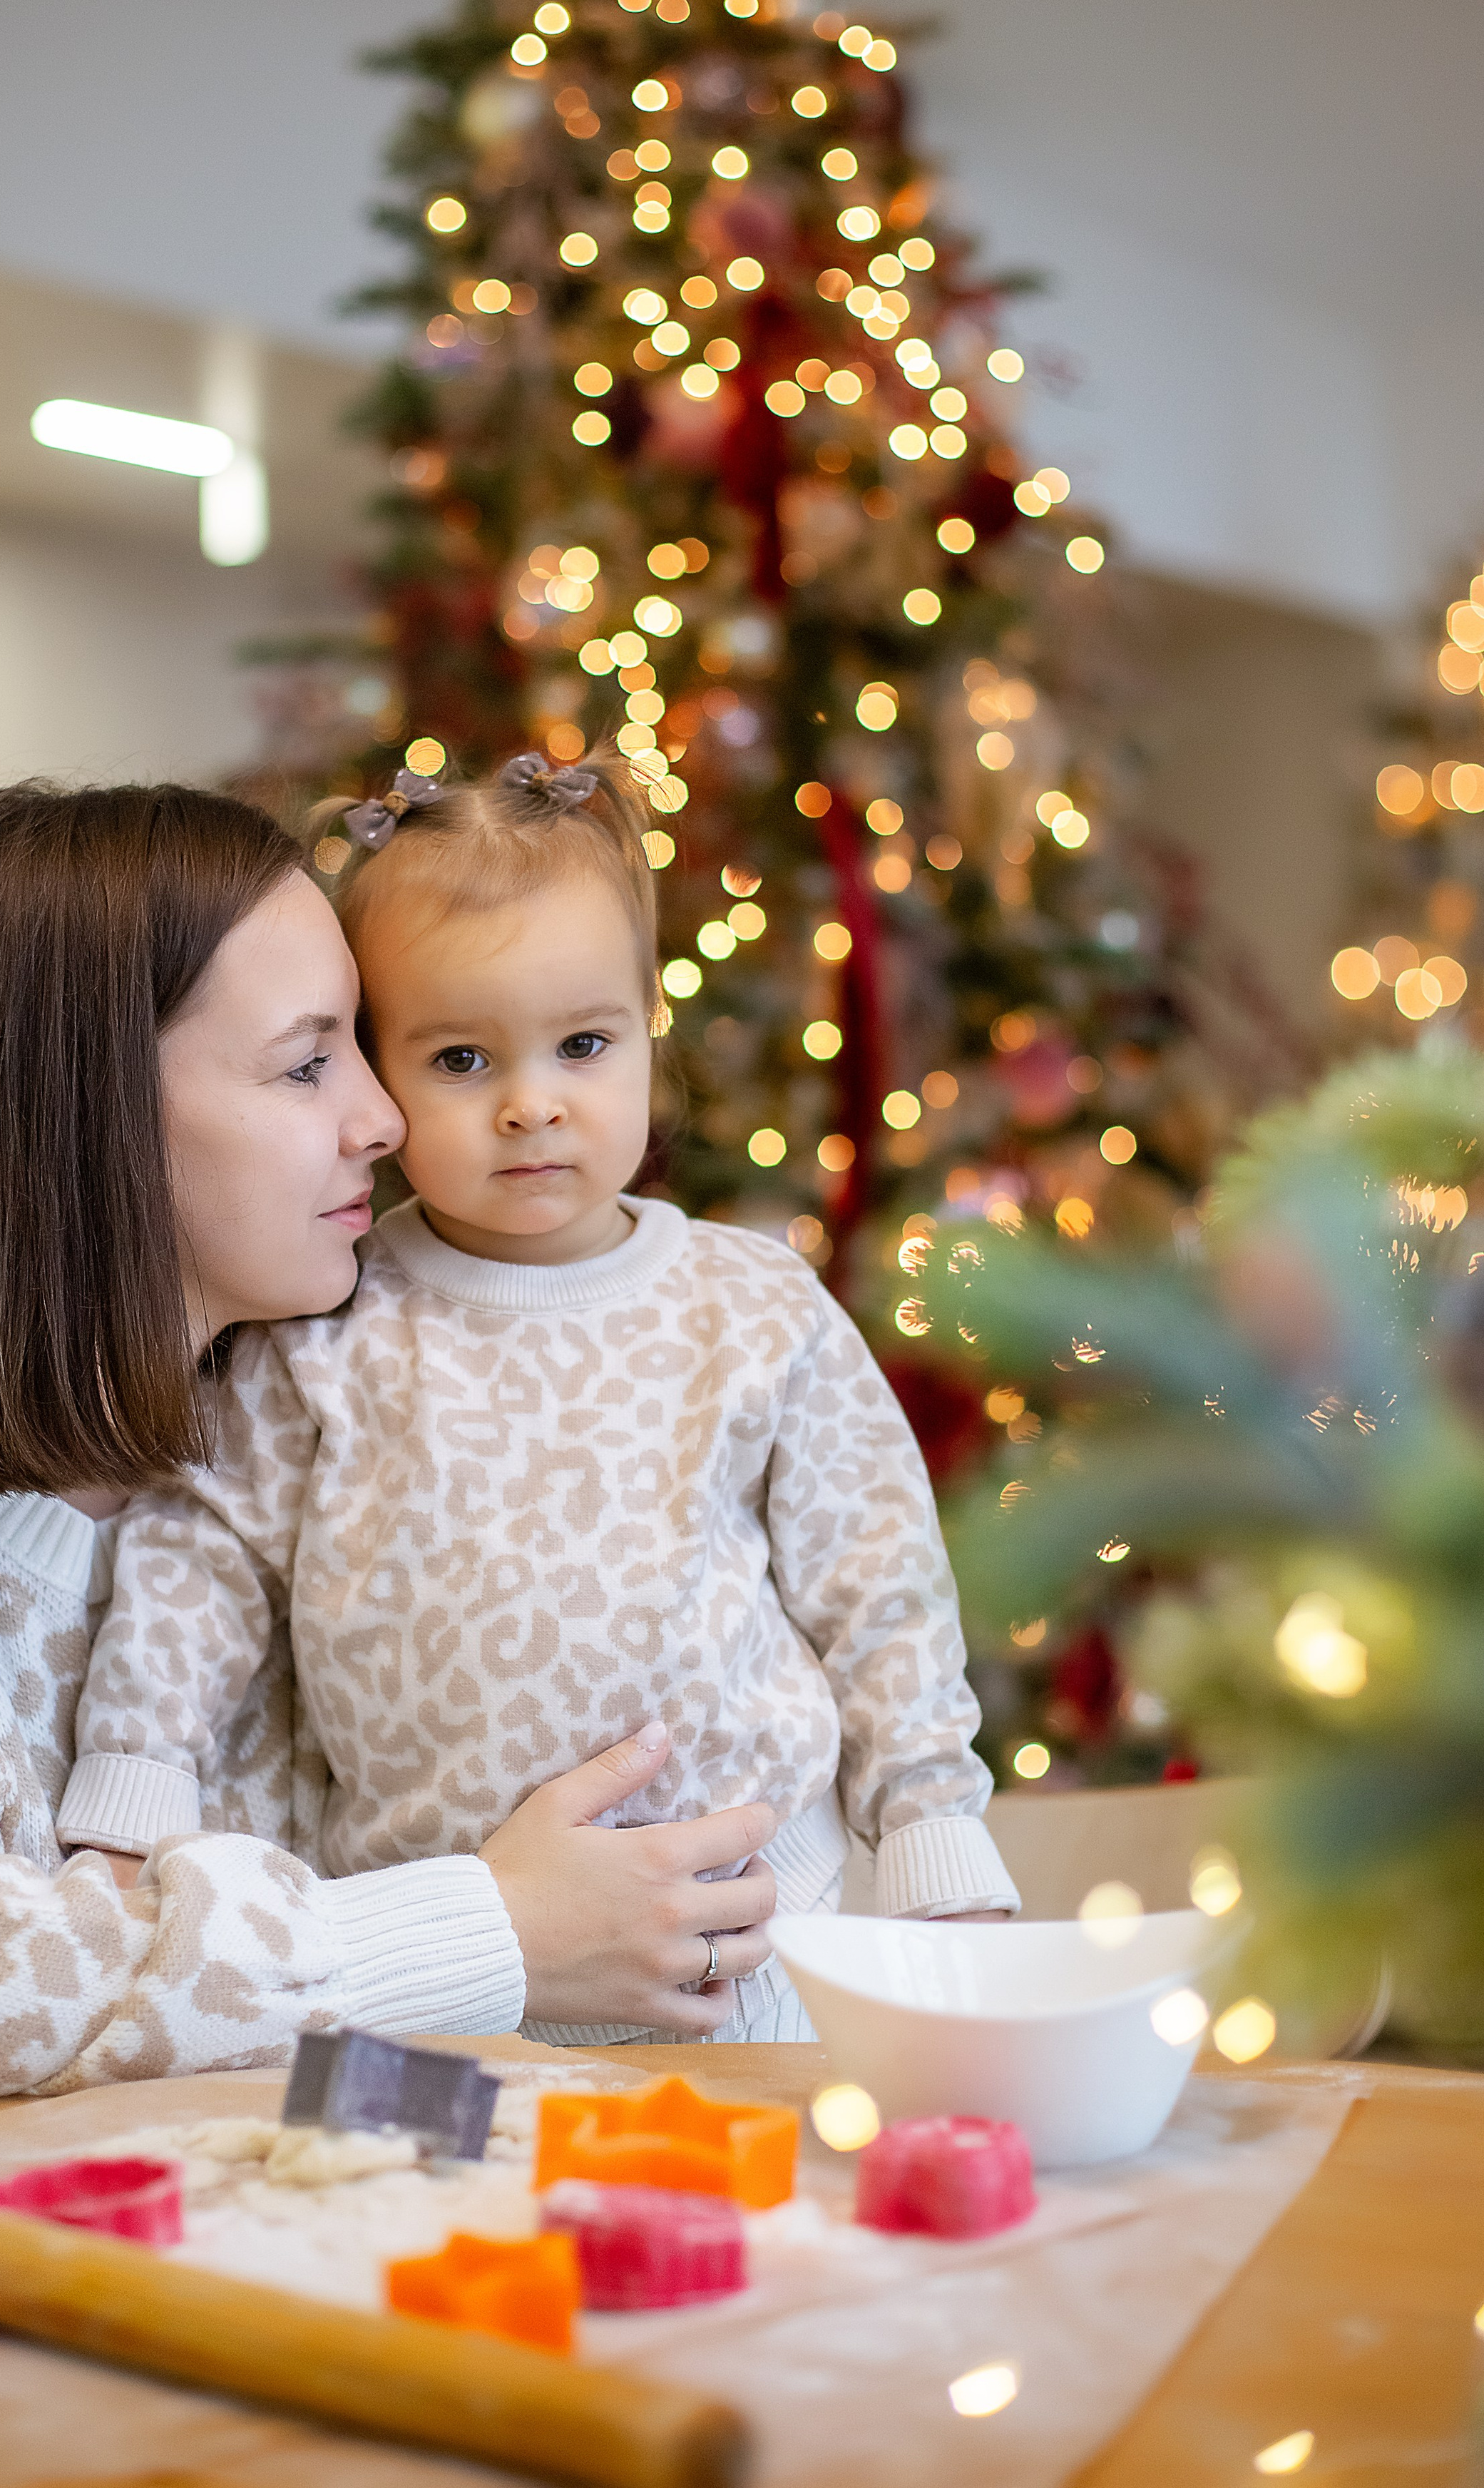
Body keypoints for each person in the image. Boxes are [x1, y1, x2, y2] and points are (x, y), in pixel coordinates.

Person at [0, 781, 779, 2131]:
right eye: (311, 1063)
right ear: (83, 1117)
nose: (384, 1120)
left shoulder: (295, 1477)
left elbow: (296, 2104)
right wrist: (488, 1931)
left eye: (367, 1052)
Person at [65, 755, 1017, 2044]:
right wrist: (134, 1789)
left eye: (582, 1044)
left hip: (749, 1941)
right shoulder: (328, 1323)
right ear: (377, 1077)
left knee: (759, 2233)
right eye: (461, 1058)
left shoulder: (754, 1309)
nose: (531, 1104)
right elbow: (200, 1560)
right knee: (430, 2229)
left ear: (644, 1033)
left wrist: (934, 1844)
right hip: (444, 1960)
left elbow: (881, 1583)